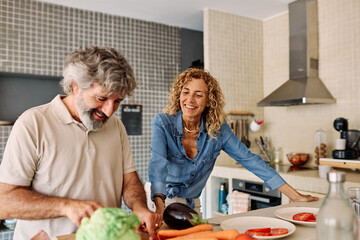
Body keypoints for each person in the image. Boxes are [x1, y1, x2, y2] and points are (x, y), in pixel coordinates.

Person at [0, 46, 161, 239]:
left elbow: (130, 181)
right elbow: (5, 202)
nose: (109, 111)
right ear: (75, 86)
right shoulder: (33, 123)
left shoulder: (116, 127)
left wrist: (139, 207)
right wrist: (65, 207)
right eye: (101, 98)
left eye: (117, 101)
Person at [147, 68, 319, 216]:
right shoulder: (163, 123)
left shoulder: (218, 130)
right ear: (179, 95)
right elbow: (158, 165)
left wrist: (294, 195)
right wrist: (160, 209)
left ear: (208, 101)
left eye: (198, 95)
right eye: (186, 92)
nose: (190, 100)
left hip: (191, 202)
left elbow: (250, 160)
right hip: (158, 198)